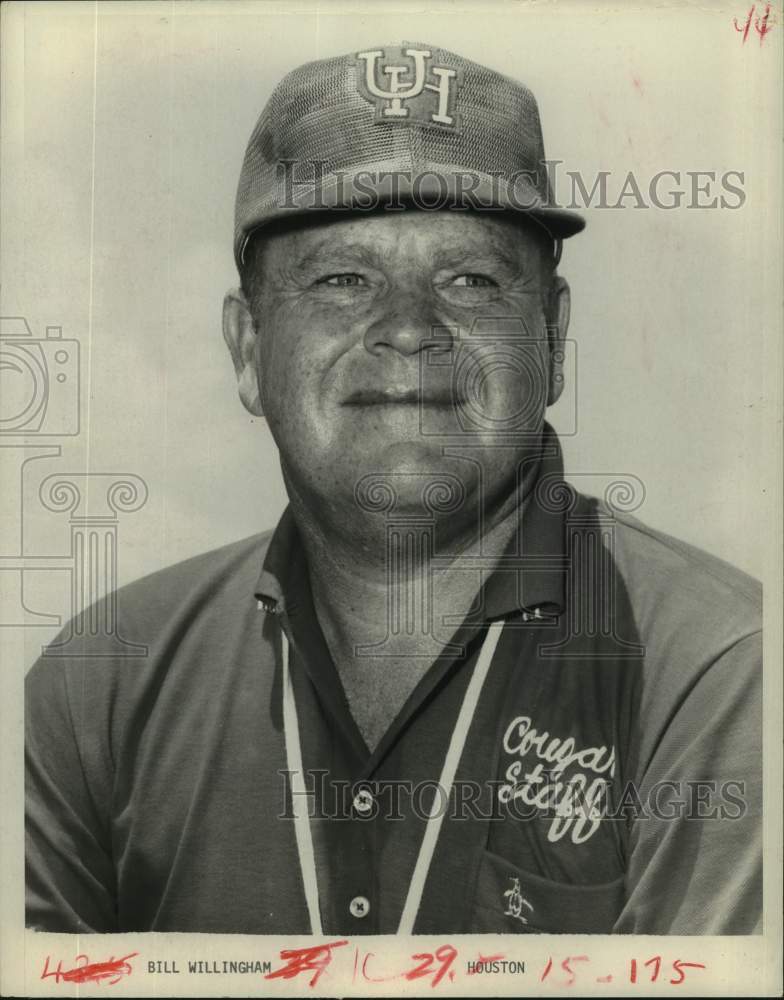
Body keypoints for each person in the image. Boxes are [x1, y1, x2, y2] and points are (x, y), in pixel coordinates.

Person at [25, 42, 761, 936]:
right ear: (249, 349)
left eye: (471, 280)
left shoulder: (727, 670)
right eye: (342, 278)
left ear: (552, 338)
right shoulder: (95, 683)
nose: (410, 330)